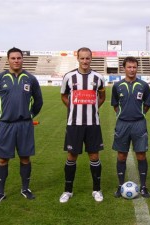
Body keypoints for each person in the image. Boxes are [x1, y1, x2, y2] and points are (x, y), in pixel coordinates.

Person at [0, 47, 43, 204]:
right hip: (5, 125)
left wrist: (30, 115)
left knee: (25, 158)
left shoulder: (31, 79)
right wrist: (0, 115)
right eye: (13, 58)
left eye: (18, 58)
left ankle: (25, 189)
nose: (16, 60)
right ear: (8, 60)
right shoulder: (0, 79)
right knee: (2, 159)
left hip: (25, 125)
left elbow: (39, 101)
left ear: (22, 59)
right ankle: (0, 192)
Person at [59, 47, 106, 203]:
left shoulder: (98, 77)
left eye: (87, 58)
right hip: (74, 124)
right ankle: (67, 191)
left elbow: (102, 96)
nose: (85, 61)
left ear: (91, 58)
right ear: (77, 58)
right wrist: (73, 108)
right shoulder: (69, 77)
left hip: (93, 124)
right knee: (72, 156)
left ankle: (97, 190)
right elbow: (64, 95)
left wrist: (92, 108)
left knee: (94, 155)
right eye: (82, 58)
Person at [112, 56, 150, 198]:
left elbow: (147, 104)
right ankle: (120, 185)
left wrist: (139, 114)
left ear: (137, 68)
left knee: (141, 154)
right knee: (121, 155)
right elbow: (115, 105)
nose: (132, 70)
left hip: (139, 124)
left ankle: (143, 186)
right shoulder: (117, 86)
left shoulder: (144, 85)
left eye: (134, 67)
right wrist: (123, 115)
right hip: (122, 124)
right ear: (124, 68)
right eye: (129, 67)